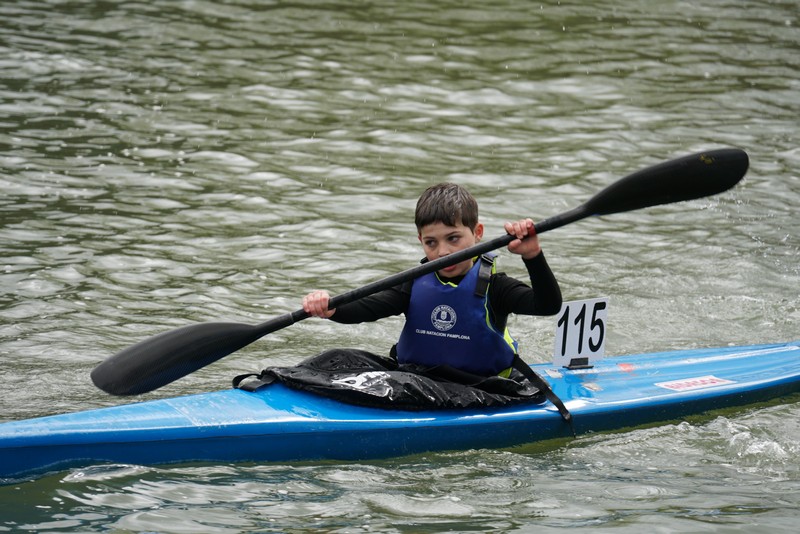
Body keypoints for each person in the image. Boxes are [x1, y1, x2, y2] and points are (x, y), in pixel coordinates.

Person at [302, 182, 562, 378]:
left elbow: (548, 305)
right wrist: (332, 307)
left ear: (477, 233)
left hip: (482, 386)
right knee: (334, 360)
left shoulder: (496, 288)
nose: (442, 252)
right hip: (419, 379)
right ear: (421, 242)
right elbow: (368, 307)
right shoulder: (414, 284)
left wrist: (533, 256)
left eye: (453, 238)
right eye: (431, 242)